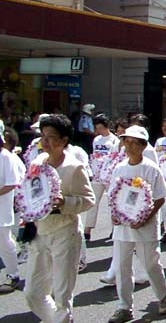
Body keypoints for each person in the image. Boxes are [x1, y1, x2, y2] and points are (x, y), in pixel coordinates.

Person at [24, 114, 95, 323]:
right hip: (40, 231)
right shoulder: (38, 162)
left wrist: (64, 202)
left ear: (64, 140)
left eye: (51, 137)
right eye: (43, 136)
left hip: (65, 231)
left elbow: (88, 200)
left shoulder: (74, 167)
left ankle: (62, 318)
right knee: (33, 292)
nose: (45, 142)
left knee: (62, 294)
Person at [108, 125, 166, 323]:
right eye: (126, 142)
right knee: (122, 267)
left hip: (146, 226)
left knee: (150, 264)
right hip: (123, 227)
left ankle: (163, 295)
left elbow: (160, 197)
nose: (129, 146)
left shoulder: (151, 169)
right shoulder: (119, 168)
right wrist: (114, 215)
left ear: (143, 146)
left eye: (134, 143)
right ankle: (124, 306)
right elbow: (113, 196)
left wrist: (145, 217)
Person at [85, 114, 120, 241]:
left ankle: (114, 228)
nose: (99, 130)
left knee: (113, 202)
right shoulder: (96, 140)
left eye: (101, 127)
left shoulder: (114, 140)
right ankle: (87, 229)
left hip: (109, 175)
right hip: (97, 174)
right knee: (93, 201)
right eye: (97, 128)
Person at [0, 130, 25, 294]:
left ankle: (13, 275)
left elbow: (12, 183)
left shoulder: (6, 157)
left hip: (2, 209)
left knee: (4, 242)